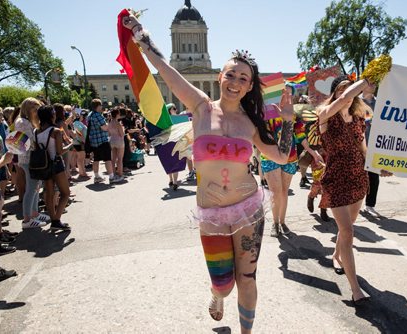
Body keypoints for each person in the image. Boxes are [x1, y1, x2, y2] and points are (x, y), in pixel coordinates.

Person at [122, 11, 294, 333]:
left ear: (249, 86)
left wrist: (286, 120)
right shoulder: (200, 106)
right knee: (224, 284)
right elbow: (166, 69)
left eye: (244, 79)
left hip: (248, 209)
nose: (236, 82)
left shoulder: (251, 123)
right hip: (212, 213)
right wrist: (142, 36)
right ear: (220, 77)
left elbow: (282, 157)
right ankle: (217, 297)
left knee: (248, 278)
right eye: (231, 75)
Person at [317, 75, 373, 306]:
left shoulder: (358, 117)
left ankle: (337, 255)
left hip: (358, 177)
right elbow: (344, 100)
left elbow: (363, 147)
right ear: (334, 94)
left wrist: (377, 166)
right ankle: (355, 289)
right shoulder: (325, 115)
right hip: (337, 179)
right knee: (348, 232)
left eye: (348, 90)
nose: (346, 95)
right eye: (341, 90)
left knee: (348, 227)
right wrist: (366, 79)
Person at [261, 107, 323, 237]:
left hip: (290, 157)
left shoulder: (293, 111)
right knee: (276, 192)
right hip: (270, 156)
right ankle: (275, 223)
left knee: (284, 191)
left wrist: (312, 152)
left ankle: (282, 222)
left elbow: (300, 135)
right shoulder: (265, 110)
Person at [15, 98, 49, 229]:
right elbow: (29, 141)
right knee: (31, 188)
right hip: (28, 158)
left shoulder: (26, 121)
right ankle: (27, 219)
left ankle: (34, 214)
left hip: (31, 158)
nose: (36, 112)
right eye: (34, 109)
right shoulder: (22, 122)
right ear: (27, 109)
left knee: (35, 188)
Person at [35, 105, 71, 231]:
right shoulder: (56, 131)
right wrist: (70, 145)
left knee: (49, 194)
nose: (55, 114)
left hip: (43, 165)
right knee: (66, 193)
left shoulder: (36, 132)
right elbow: (60, 151)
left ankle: (54, 219)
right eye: (54, 112)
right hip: (56, 164)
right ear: (51, 115)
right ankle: (56, 219)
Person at [87, 99, 123, 184]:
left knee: (96, 159)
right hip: (102, 140)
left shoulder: (90, 115)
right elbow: (104, 128)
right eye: (101, 105)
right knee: (107, 159)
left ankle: (96, 177)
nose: (102, 107)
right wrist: (108, 125)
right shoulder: (98, 115)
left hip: (94, 141)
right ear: (98, 106)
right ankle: (111, 177)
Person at [361, 83, 381, 217]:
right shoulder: (355, 102)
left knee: (374, 177)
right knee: (357, 176)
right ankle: (353, 203)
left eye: (374, 83)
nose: (373, 85)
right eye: (370, 83)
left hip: (375, 146)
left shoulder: (380, 102)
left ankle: (370, 205)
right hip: (359, 145)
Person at [108, 108, 126, 178]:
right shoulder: (118, 124)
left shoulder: (109, 123)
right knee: (120, 159)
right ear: (117, 114)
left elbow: (109, 134)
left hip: (112, 140)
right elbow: (122, 134)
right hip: (119, 141)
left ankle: (113, 174)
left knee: (113, 159)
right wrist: (123, 129)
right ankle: (120, 174)